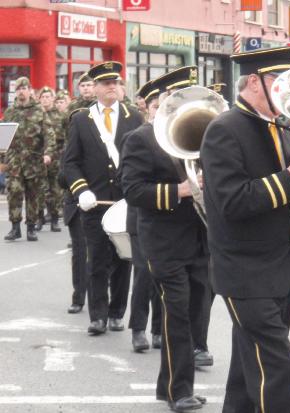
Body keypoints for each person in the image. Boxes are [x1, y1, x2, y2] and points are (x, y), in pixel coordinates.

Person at [201, 46, 290, 413]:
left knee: (248, 375)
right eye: (280, 81)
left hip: (277, 267)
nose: (288, 91)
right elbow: (234, 202)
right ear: (255, 82)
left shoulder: (281, 126)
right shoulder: (223, 130)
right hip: (244, 271)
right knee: (278, 366)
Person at [120, 66, 210, 412]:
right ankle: (178, 391)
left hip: (199, 238)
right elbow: (133, 190)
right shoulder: (140, 139)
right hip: (164, 242)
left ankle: (173, 385)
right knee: (178, 315)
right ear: (155, 103)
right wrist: (180, 190)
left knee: (193, 312)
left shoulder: (196, 135)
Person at [62, 61, 143, 335]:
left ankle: (117, 312)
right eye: (106, 83)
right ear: (94, 88)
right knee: (96, 259)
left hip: (124, 202)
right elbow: (70, 163)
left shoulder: (134, 116)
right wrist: (81, 190)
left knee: (123, 259)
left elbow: (141, 159)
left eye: (115, 83)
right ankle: (97, 315)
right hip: (94, 203)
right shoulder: (81, 119)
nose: (112, 87)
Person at [121, 79, 162, 353]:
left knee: (166, 277)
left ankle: (159, 330)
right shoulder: (137, 137)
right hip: (141, 218)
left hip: (170, 219)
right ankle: (138, 329)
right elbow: (128, 183)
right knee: (144, 274)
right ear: (147, 108)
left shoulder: (179, 136)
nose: (162, 111)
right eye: (157, 106)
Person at [3, 77, 55, 241]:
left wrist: (48, 153)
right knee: (14, 193)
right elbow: (3, 136)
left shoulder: (39, 110)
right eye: (18, 89)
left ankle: (31, 227)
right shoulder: (10, 112)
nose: (21, 91)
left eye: (24, 88)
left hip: (33, 161)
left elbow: (49, 134)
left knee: (33, 196)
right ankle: (15, 227)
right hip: (14, 161)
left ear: (30, 90)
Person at [61, 76, 96, 315]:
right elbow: (64, 173)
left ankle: (103, 300)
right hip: (76, 198)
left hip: (102, 194)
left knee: (104, 254)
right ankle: (79, 296)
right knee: (80, 250)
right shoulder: (74, 118)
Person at [39, 86, 65, 232]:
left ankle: (54, 218)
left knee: (55, 189)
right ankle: (39, 218)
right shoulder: (36, 114)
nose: (45, 99)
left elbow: (66, 135)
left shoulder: (60, 116)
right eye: (43, 97)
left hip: (56, 157)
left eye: (48, 96)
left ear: (53, 99)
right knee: (39, 190)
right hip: (38, 157)